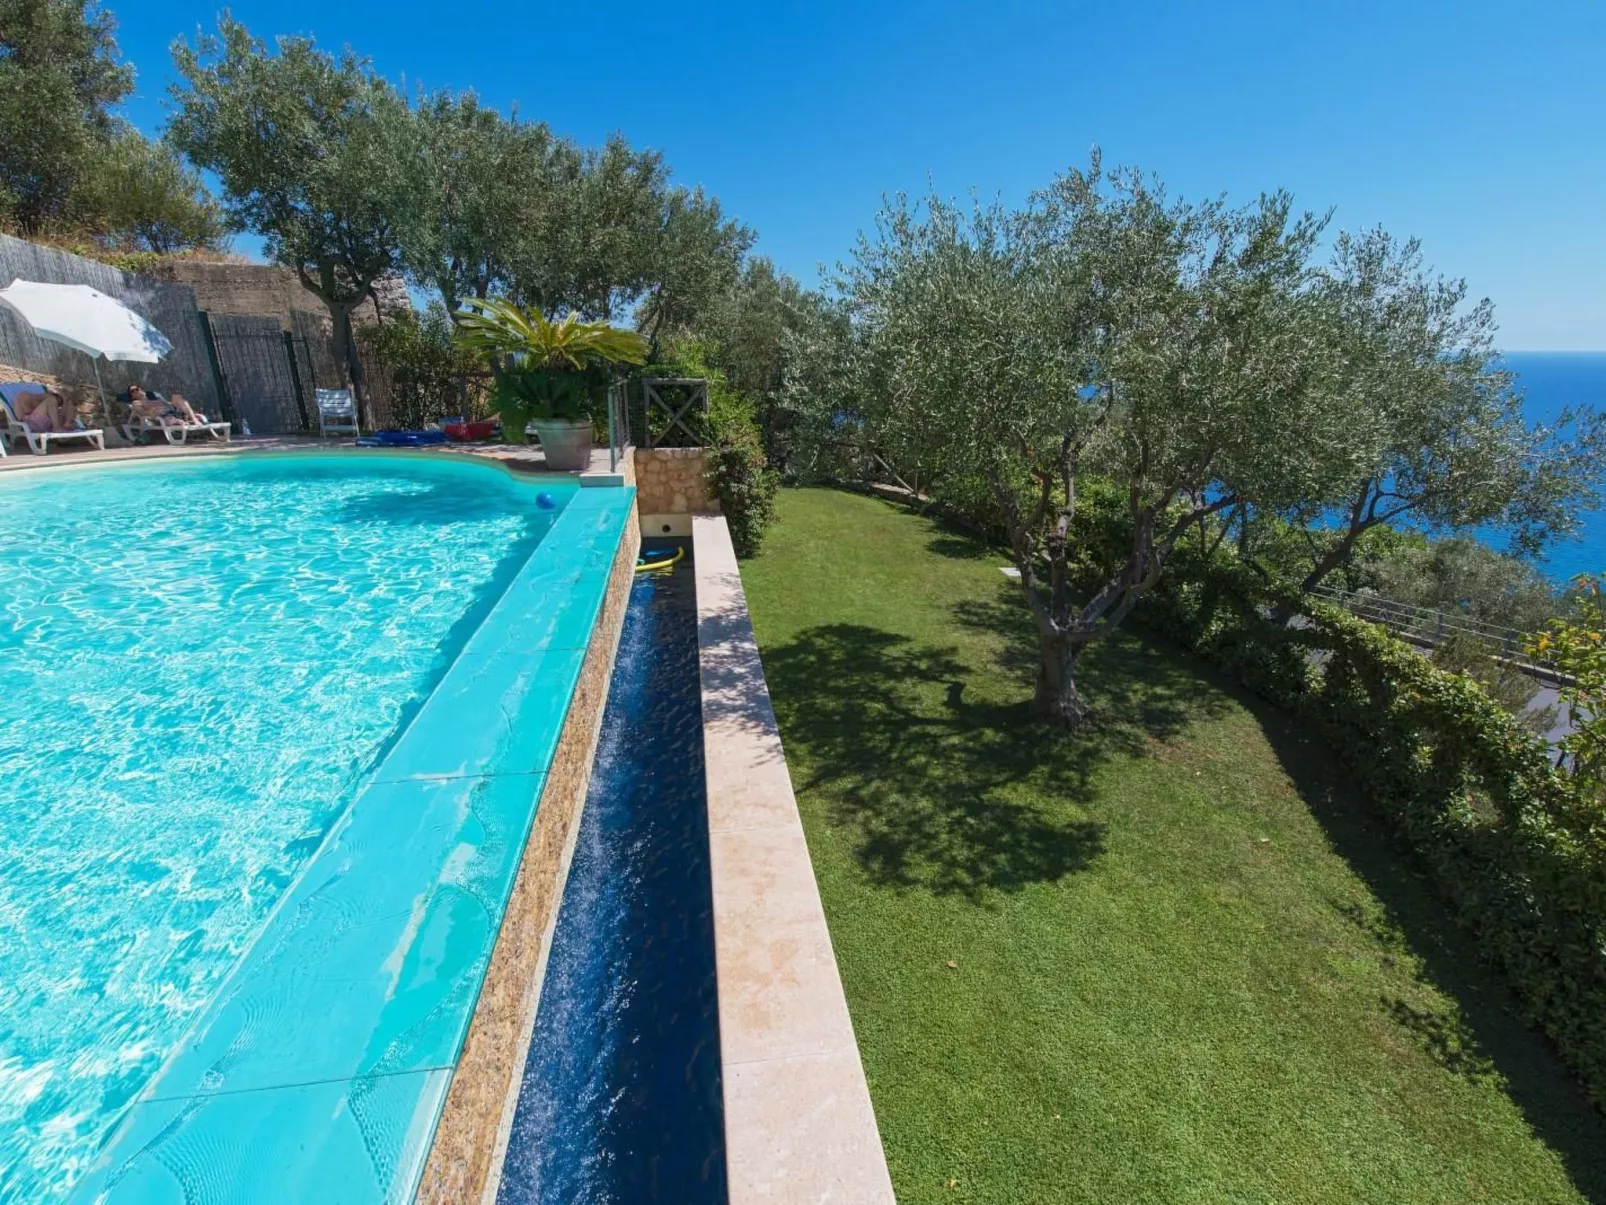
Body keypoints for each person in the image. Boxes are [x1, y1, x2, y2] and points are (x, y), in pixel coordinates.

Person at [127, 384, 207, 427]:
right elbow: (143, 414)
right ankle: (179, 422)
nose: (136, 391)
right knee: (163, 413)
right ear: (132, 396)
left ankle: (194, 420)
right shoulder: (137, 403)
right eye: (132, 391)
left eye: (137, 389)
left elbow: (166, 402)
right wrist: (151, 412)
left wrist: (171, 403)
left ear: (140, 389)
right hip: (163, 416)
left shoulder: (154, 395)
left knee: (176, 397)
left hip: (172, 409)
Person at [13, 388, 78, 434]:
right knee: (51, 400)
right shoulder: (25, 395)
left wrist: (65, 400)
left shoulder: (47, 402)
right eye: (58, 401)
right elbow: (22, 417)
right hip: (32, 423)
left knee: (69, 403)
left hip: (47, 423)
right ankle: (57, 428)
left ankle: (67, 424)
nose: (58, 404)